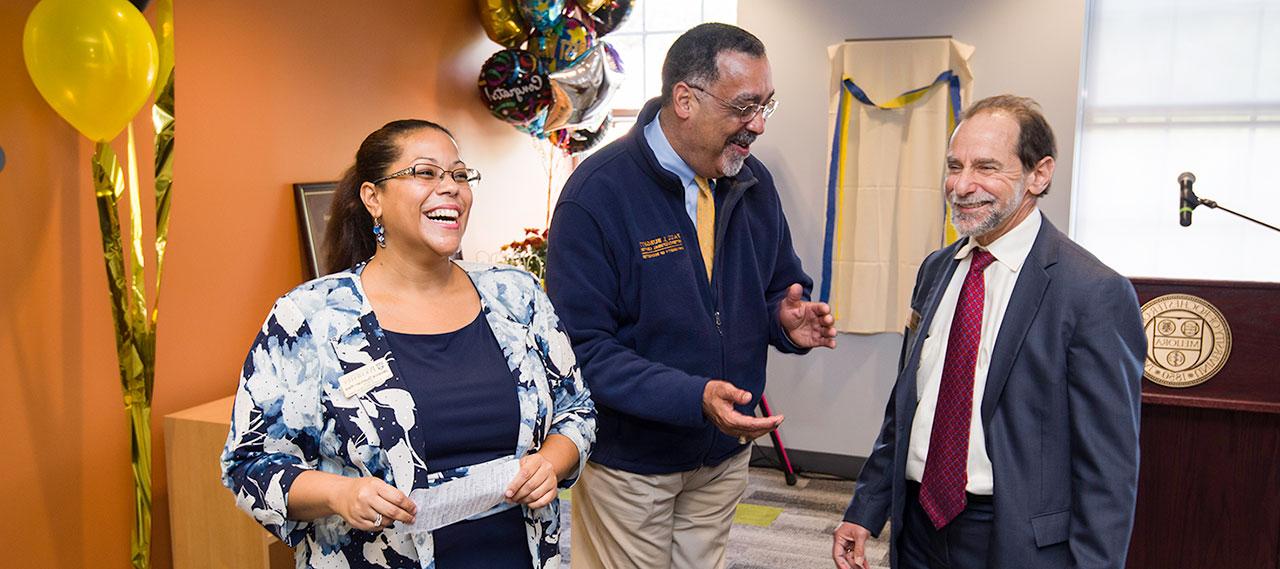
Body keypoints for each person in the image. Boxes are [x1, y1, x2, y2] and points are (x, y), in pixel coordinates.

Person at [221, 119, 596, 568]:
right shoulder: (310, 318)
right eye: (425, 173)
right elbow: (250, 463)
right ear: (372, 198)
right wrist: (342, 494)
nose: (451, 188)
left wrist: (552, 462)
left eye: (459, 175)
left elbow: (577, 410)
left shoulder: (516, 296)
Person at [545, 23, 838, 569]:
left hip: (722, 455)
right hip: (633, 463)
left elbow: (779, 284)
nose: (758, 126)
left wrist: (785, 320)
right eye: (744, 106)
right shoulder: (598, 193)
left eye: (766, 105)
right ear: (685, 99)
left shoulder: (753, 182)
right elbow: (581, 348)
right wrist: (694, 397)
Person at [831, 95, 1145, 569]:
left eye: (987, 167)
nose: (962, 185)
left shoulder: (1093, 293)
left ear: (1039, 174)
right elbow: (908, 406)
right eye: (954, 166)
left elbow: (1108, 467)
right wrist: (867, 508)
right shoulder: (935, 271)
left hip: (1015, 540)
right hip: (918, 528)